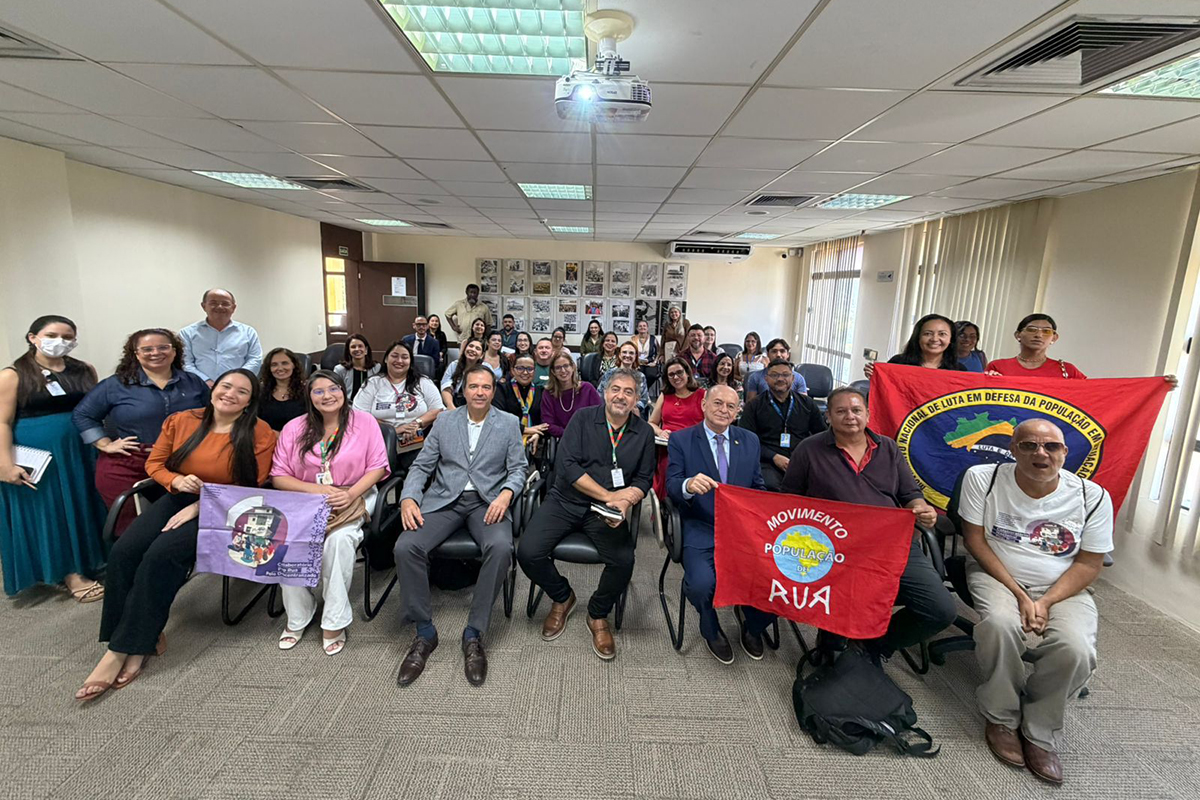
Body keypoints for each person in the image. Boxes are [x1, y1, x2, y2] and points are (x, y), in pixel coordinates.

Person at [75, 369, 275, 701]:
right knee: (125, 551)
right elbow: (156, 464)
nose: (231, 394)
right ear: (213, 389)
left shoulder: (259, 432)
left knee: (161, 555)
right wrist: (176, 482)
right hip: (178, 494)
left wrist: (201, 506)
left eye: (242, 392)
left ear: (250, 402)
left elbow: (253, 485)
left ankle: (123, 650)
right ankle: (132, 637)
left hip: (226, 505)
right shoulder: (183, 420)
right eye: (226, 386)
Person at [958, 419, 1111, 784]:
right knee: (999, 625)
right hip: (996, 574)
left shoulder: (1093, 495)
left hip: (1063, 584)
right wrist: (1020, 595)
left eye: (1050, 447)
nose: (1040, 454)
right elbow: (975, 541)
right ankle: (1001, 716)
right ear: (1012, 450)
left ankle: (1040, 730)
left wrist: (1045, 602)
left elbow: (1090, 562)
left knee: (1076, 648)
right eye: (1028, 446)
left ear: (1065, 452)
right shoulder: (984, 478)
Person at [781, 386, 956, 662]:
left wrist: (921, 509)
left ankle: (873, 648)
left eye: (856, 410)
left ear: (868, 414)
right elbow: (789, 500)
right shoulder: (809, 449)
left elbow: (909, 494)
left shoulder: (888, 448)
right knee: (846, 605)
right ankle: (834, 643)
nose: (849, 416)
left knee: (940, 609)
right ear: (828, 417)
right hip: (834, 546)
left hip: (892, 543)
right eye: (840, 411)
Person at [395, 365, 527, 686]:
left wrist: (506, 495)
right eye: (473, 387)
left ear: (493, 391)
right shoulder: (444, 421)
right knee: (405, 546)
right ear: (462, 390)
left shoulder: (508, 423)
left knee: (500, 547)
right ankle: (425, 632)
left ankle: (474, 633)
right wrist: (409, 498)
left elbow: (519, 469)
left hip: (487, 502)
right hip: (444, 500)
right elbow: (422, 465)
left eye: (486, 387)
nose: (479, 392)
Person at [518, 369, 655, 661]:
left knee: (623, 561)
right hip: (566, 499)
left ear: (637, 399)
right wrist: (609, 497)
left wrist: (626, 501)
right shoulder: (582, 419)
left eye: (629, 392)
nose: (621, 396)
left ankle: (597, 613)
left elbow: (644, 479)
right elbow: (567, 467)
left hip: (606, 511)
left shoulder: (643, 432)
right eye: (615, 389)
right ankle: (562, 596)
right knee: (528, 552)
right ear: (605, 392)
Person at [272, 371, 389, 656]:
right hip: (305, 498)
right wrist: (316, 492)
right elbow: (279, 476)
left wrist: (348, 494)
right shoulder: (294, 428)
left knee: (340, 542)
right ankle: (299, 614)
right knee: (287, 543)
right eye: (319, 391)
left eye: (333, 389)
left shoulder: (364, 422)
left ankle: (335, 619)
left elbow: (377, 467)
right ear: (309, 397)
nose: (327, 396)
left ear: (343, 391)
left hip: (354, 494)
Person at [666, 385, 775, 663]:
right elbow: (671, 486)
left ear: (738, 410)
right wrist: (688, 485)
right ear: (703, 404)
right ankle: (710, 628)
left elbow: (757, 486)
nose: (723, 410)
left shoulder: (749, 440)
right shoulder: (681, 439)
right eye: (717, 403)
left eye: (730, 406)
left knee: (778, 579)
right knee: (702, 584)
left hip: (743, 531)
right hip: (700, 526)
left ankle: (752, 625)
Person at [1, 315, 106, 600]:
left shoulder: (84, 370)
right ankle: (69, 572)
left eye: (67, 336)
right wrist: (4, 465)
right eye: (51, 335)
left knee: (84, 505)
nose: (59, 341)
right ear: (32, 337)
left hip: (80, 452)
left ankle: (91, 561)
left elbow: (93, 410)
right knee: (53, 512)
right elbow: (2, 422)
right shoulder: (13, 375)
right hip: (39, 456)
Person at [73, 328, 208, 535]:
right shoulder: (116, 384)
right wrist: (105, 444)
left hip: (182, 464)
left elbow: (213, 416)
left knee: (177, 526)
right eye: (147, 349)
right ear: (135, 354)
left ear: (175, 352)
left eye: (163, 347)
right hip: (128, 465)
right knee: (133, 531)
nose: (156, 352)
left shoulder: (193, 382)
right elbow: (83, 415)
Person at [353, 341, 445, 475]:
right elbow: (359, 415)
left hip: (417, 441)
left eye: (405, 357)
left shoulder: (423, 382)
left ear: (410, 361)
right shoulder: (372, 383)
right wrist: (393, 430)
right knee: (376, 472)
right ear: (386, 359)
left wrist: (416, 424)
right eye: (394, 356)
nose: (399, 361)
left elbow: (438, 409)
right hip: (380, 441)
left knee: (419, 473)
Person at [739, 359, 826, 491]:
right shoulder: (754, 406)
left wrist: (805, 457)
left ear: (793, 378)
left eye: (785, 375)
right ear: (766, 379)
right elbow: (746, 441)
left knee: (819, 485)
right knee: (772, 487)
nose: (780, 379)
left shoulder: (807, 404)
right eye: (774, 375)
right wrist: (773, 457)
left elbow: (821, 435)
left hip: (801, 459)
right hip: (767, 461)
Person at [180, 288, 263, 387]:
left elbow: (255, 359)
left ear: (233, 307)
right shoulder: (187, 333)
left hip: (237, 387)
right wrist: (205, 381)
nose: (219, 307)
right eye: (213, 303)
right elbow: (185, 362)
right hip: (199, 387)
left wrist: (236, 380)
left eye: (225, 303)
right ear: (204, 306)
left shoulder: (248, 332)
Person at [649, 357, 706, 499]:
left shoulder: (702, 395)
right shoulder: (665, 396)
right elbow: (651, 423)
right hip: (668, 447)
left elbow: (710, 425)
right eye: (671, 374)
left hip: (694, 446)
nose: (676, 377)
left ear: (687, 373)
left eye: (679, 372)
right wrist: (660, 432)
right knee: (666, 466)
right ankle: (665, 509)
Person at [864, 313, 965, 378]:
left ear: (951, 339)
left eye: (942, 334)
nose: (934, 339)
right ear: (918, 337)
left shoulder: (959, 370)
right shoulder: (898, 363)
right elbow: (883, 396)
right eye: (927, 334)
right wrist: (876, 378)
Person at [986, 314, 1086, 379]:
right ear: (1018, 335)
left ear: (1054, 338)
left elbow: (1091, 393)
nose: (1039, 335)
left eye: (1046, 331)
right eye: (1032, 330)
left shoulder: (1067, 370)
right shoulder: (998, 367)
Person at [493, 354, 549, 454]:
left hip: (535, 442)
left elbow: (545, 422)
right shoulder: (502, 389)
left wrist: (538, 434)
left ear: (534, 371)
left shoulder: (541, 392)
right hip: (505, 440)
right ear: (513, 370)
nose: (525, 372)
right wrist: (525, 430)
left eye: (530, 369)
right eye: (520, 368)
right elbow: (498, 419)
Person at [541, 353, 602, 438]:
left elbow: (599, 416)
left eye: (566, 366)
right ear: (553, 372)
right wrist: (569, 434)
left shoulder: (587, 389)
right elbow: (548, 424)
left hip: (588, 438)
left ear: (573, 367)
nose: (563, 370)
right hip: (562, 439)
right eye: (558, 368)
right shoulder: (548, 393)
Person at [257, 348, 307, 432]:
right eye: (274, 365)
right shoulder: (261, 392)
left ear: (293, 365)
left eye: (285, 363)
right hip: (268, 440)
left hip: (299, 440)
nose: (280, 368)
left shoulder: (307, 391)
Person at [743, 339, 808, 402]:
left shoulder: (799, 378)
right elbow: (750, 406)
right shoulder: (755, 377)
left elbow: (804, 405)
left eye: (782, 351)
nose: (778, 355)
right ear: (768, 354)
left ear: (788, 355)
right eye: (774, 351)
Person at [600, 342, 651, 417]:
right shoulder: (609, 374)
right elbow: (600, 394)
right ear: (619, 355)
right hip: (610, 409)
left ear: (635, 356)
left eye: (631, 353)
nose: (627, 355)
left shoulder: (640, 376)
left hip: (632, 411)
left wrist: (632, 407)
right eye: (624, 352)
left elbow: (644, 399)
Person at [331, 334, 380, 402]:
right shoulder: (340, 370)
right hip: (349, 407)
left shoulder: (376, 368)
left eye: (360, 346)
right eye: (353, 347)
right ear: (348, 351)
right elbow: (334, 391)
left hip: (370, 406)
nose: (357, 349)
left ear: (366, 350)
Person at [441, 338, 485, 410]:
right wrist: (451, 407)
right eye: (471, 346)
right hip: (453, 404)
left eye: (477, 348)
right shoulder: (454, 365)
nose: (473, 349)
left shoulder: (485, 370)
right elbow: (445, 387)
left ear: (482, 355)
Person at [633, 319, 660, 392]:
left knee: (651, 375)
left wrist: (655, 362)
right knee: (637, 376)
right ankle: (640, 393)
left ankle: (644, 392)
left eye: (644, 326)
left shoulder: (653, 339)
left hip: (650, 363)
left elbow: (659, 352)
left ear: (647, 328)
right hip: (637, 363)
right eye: (640, 326)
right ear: (637, 328)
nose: (642, 327)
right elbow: (631, 352)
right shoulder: (633, 339)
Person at [427, 314, 450, 379]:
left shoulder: (442, 334)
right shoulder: (425, 334)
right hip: (428, 357)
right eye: (432, 321)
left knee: (441, 366)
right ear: (428, 323)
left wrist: (441, 353)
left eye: (436, 321)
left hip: (439, 357)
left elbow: (444, 347)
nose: (434, 323)